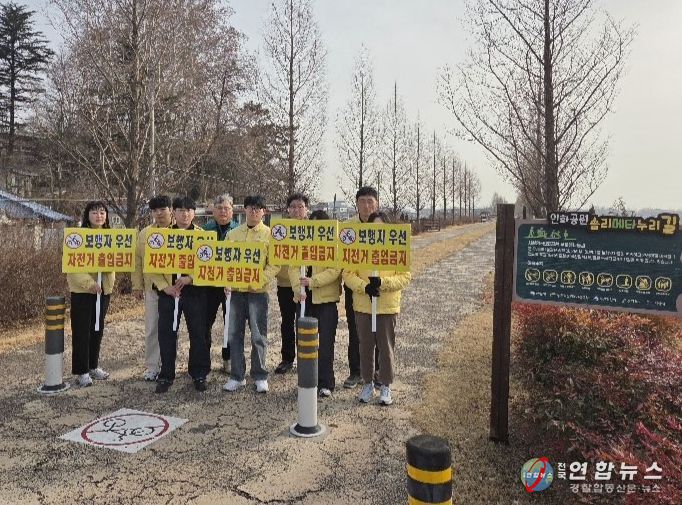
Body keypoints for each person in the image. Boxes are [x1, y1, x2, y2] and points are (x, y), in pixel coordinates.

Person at [342, 211, 411, 405]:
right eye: (373, 228)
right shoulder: (358, 247)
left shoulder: (397, 248)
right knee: (365, 347)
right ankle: (367, 383)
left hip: (386, 306)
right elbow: (348, 273)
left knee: (386, 347)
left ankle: (385, 384)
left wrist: (382, 283)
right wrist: (364, 287)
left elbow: (405, 277)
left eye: (381, 228)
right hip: (363, 306)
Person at [150, 196, 209, 393]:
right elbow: (152, 266)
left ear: (194, 213)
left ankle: (198, 374)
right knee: (167, 334)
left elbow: (209, 264)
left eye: (189, 210)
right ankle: (166, 375)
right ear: (173, 212)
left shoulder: (202, 236)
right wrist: (164, 287)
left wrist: (190, 278)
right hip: (169, 293)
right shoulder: (162, 236)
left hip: (195, 293)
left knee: (198, 333)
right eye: (181, 210)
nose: (185, 214)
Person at [223, 195, 280, 393]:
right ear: (244, 210)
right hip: (236, 293)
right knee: (234, 334)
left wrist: (259, 281)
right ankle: (237, 376)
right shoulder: (232, 234)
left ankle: (260, 375)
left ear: (264, 212)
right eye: (250, 207)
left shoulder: (270, 235)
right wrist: (226, 282)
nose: (254, 211)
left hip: (258, 293)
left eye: (258, 208)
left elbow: (274, 264)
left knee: (258, 335)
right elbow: (224, 262)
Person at [289, 209, 341, 397]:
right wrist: (298, 288)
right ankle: (306, 382)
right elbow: (293, 267)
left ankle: (326, 383)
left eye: (320, 226)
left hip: (325, 301)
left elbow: (335, 270)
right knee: (303, 343)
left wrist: (313, 282)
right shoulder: (301, 243)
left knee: (325, 344)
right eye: (313, 225)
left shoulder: (334, 245)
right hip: (304, 300)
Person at [67, 201, 115, 387]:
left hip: (103, 290)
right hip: (83, 291)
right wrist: (89, 283)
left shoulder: (111, 236)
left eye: (102, 212)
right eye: (94, 212)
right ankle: (82, 371)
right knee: (82, 330)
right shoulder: (77, 236)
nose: (99, 216)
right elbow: (72, 266)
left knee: (97, 329)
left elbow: (118, 260)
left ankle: (93, 366)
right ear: (87, 215)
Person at [131, 195, 173, 381]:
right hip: (152, 288)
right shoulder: (145, 233)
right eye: (155, 210)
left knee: (171, 329)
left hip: (175, 289)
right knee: (151, 329)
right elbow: (137, 261)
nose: (159, 213)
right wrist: (137, 286)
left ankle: (169, 365)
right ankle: (152, 366)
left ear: (171, 210)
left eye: (163, 209)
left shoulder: (180, 231)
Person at [342, 186, 380, 389]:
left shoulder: (384, 226)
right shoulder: (347, 228)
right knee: (355, 329)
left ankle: (378, 372)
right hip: (354, 286)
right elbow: (343, 260)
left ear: (377, 204)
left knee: (379, 330)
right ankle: (356, 371)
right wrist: (360, 285)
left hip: (379, 286)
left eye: (370, 201)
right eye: (362, 201)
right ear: (356, 204)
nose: (366, 206)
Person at [202, 194, 238, 372]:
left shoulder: (239, 231)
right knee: (205, 322)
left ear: (232, 211)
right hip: (209, 285)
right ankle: (204, 360)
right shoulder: (205, 230)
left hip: (231, 285)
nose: (223, 211)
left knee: (230, 322)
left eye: (226, 208)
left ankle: (228, 358)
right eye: (219, 208)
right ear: (213, 211)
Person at [274, 192, 309, 374]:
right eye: (293, 207)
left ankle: (306, 357)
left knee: (305, 322)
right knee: (287, 322)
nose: (297, 210)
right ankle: (287, 358)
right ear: (288, 210)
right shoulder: (280, 230)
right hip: (285, 284)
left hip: (307, 283)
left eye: (300, 206)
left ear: (306, 209)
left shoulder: (313, 229)